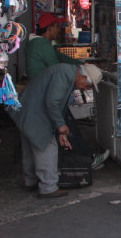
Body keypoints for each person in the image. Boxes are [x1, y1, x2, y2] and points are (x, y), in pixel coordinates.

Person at [25, 13, 109, 170]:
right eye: (56, 26)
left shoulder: (43, 45)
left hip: (37, 96)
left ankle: (82, 158)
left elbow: (61, 58)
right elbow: (57, 70)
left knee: (65, 126)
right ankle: (86, 160)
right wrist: (61, 126)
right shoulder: (43, 47)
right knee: (64, 127)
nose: (58, 30)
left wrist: (82, 63)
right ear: (49, 29)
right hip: (44, 97)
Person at [8, 63, 102, 198]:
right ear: (82, 77)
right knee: (47, 146)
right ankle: (48, 187)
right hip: (34, 112)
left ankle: (31, 181)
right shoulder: (64, 74)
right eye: (88, 85)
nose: (86, 89)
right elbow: (52, 102)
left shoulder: (66, 72)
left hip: (27, 109)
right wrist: (61, 126)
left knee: (30, 146)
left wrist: (59, 128)